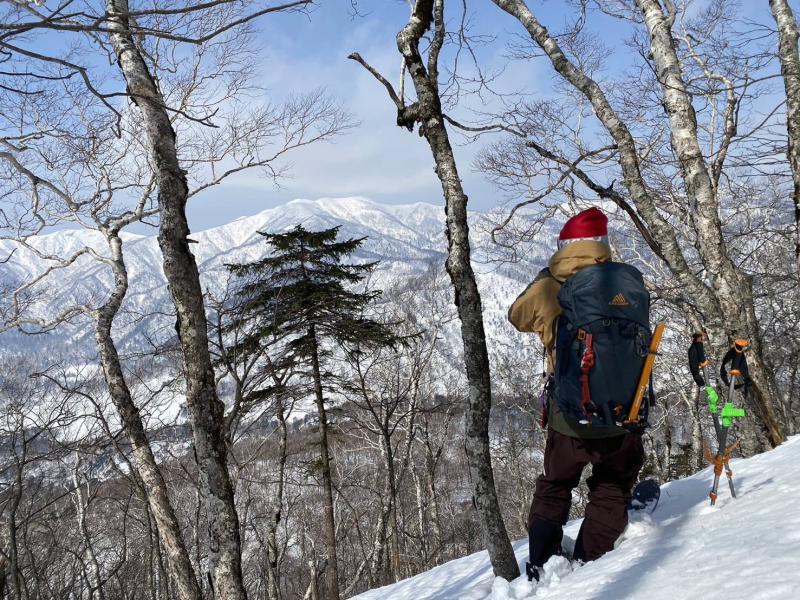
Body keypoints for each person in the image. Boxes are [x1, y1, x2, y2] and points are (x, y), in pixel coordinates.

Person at [508, 207, 646, 582]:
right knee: (612, 484)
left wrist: (544, 279)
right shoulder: (624, 282)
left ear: (564, 245)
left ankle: (542, 562)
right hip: (623, 410)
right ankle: (591, 560)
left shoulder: (548, 287)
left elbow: (517, 316)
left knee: (555, 485)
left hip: (569, 414)